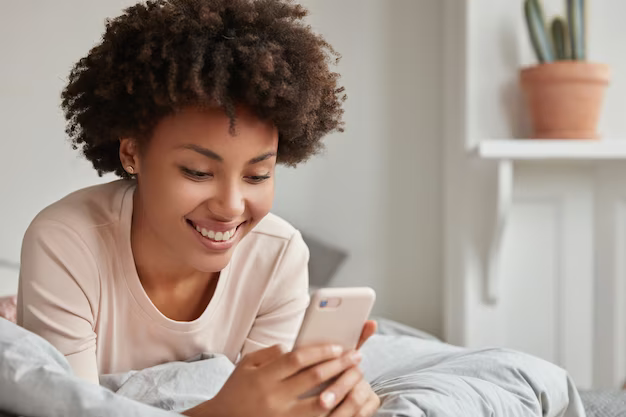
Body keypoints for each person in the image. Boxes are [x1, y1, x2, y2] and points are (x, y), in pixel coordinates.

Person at [16, 0, 380, 416]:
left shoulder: (279, 256)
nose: (230, 207)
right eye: (197, 172)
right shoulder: (66, 243)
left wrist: (325, 400)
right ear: (132, 153)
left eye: (258, 175)